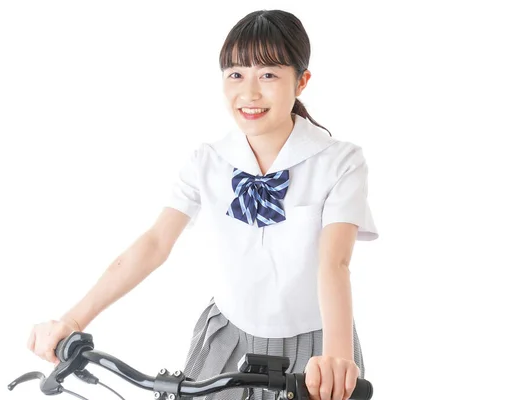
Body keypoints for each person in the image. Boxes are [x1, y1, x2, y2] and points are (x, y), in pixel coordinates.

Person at [27, 9, 379, 400]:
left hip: (315, 346)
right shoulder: (208, 160)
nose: (249, 93)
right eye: (235, 75)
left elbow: (335, 263)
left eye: (268, 75)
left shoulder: (339, 162)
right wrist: (73, 319)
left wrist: (336, 357)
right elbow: (155, 243)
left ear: (301, 81)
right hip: (226, 341)